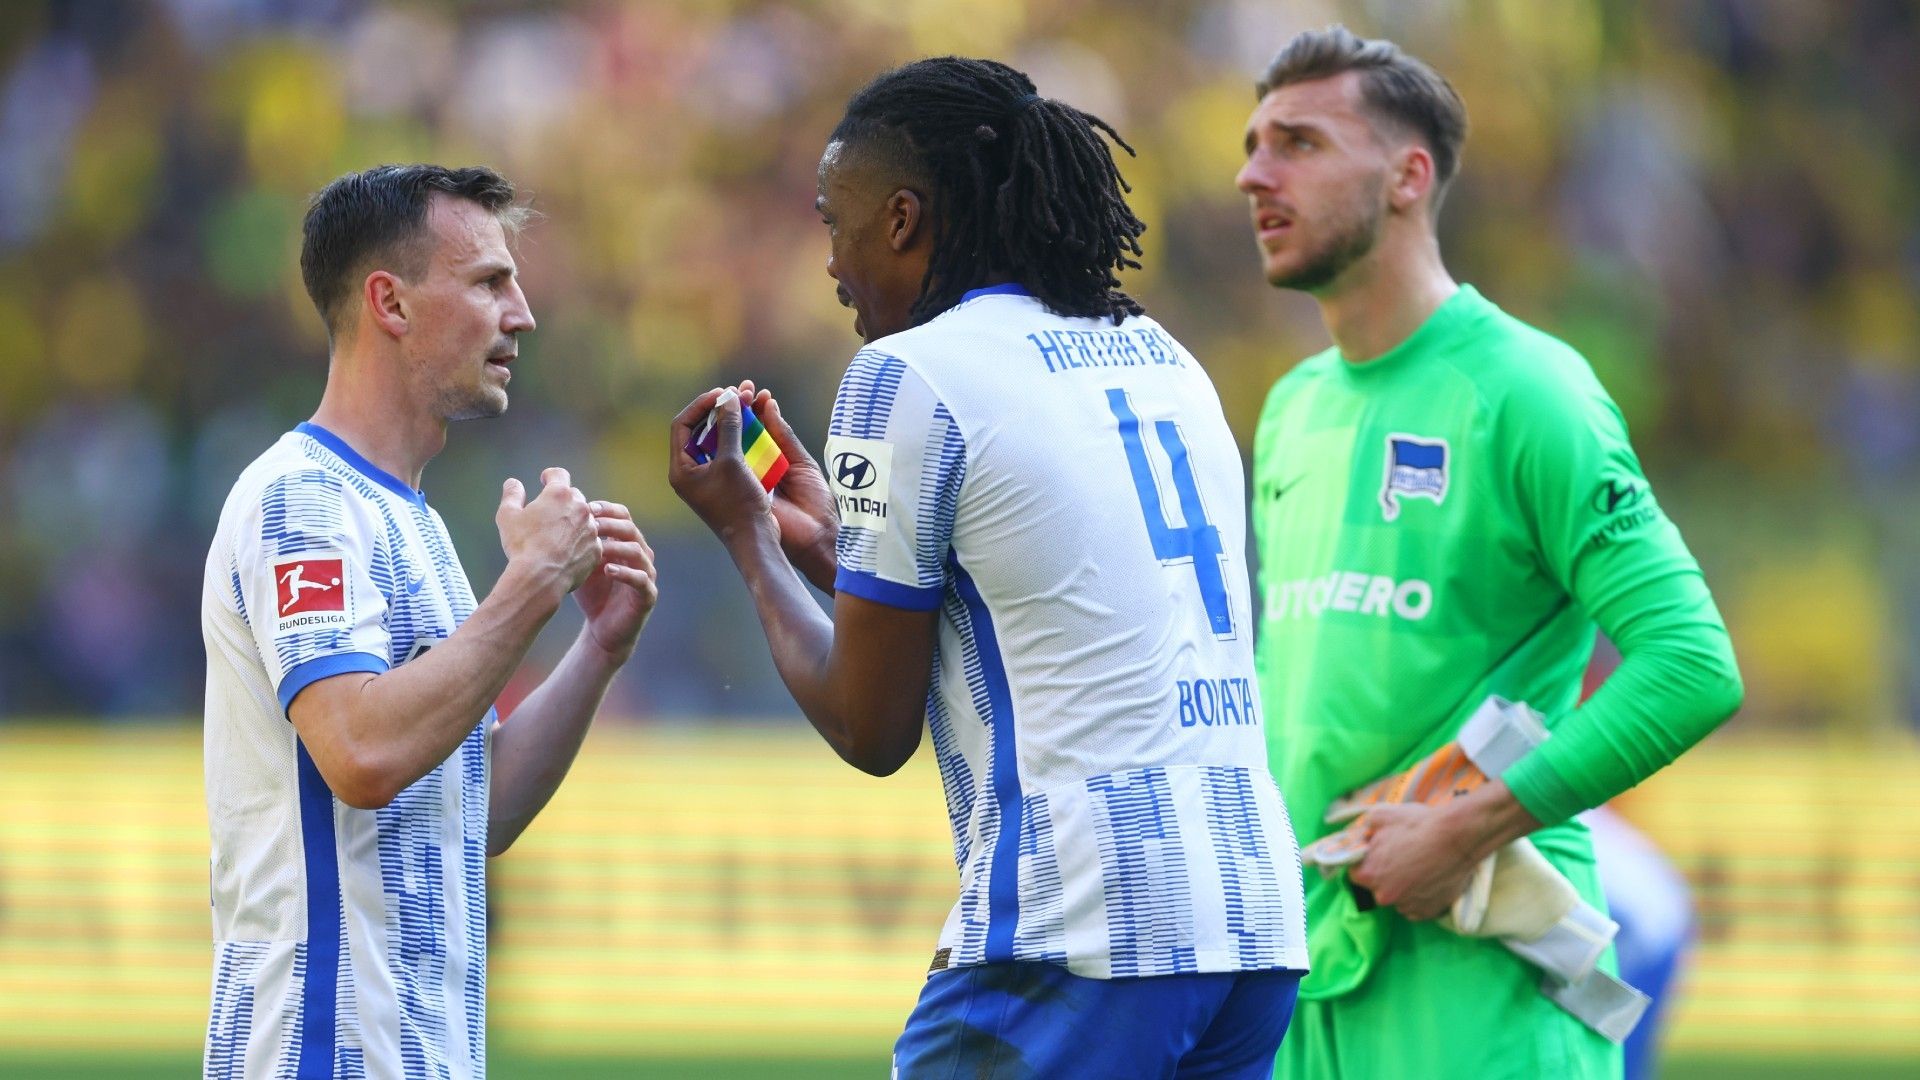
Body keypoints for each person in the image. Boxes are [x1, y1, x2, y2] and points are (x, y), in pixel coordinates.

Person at [669, 57, 1307, 1079]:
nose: (829, 260)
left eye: (837, 221)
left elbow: (868, 727)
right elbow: (1057, 604)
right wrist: (844, 550)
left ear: (904, 218)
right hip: (1251, 922)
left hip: (1079, 928)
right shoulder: (1162, 355)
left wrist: (747, 539)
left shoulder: (904, 374)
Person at [1234, 26, 1743, 1079]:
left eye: (1299, 143)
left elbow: (1692, 662)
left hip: (1482, 980)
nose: (1254, 174)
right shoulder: (1293, 409)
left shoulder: (1527, 390)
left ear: (1408, 176)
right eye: (1251, 144)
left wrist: (1465, 831)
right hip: (1306, 980)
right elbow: (1289, 680)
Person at [200, 164, 657, 1078]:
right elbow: (361, 755)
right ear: (391, 303)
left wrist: (595, 648)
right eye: (490, 281)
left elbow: (467, 816)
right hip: (320, 1052)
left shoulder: (414, 521)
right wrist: (528, 588)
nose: (521, 313)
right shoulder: (302, 501)